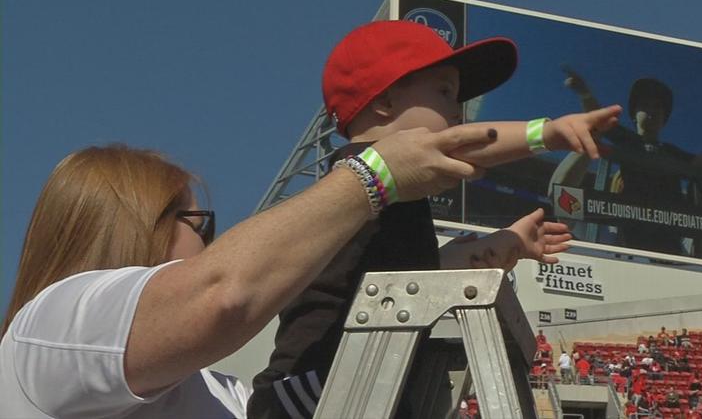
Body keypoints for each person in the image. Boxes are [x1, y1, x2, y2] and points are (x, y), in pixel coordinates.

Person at [248, 21, 622, 417]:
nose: (457, 112)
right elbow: (462, 149)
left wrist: (510, 241)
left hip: (367, 384)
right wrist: (547, 133)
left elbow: (437, 270)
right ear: (385, 103)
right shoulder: (361, 172)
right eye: (444, 91)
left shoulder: (396, 208)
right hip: (312, 389)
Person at [0, 128, 500, 417]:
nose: (209, 241)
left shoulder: (223, 392)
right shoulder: (49, 330)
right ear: (137, 225)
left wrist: (435, 266)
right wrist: (374, 175)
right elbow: (223, 294)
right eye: (198, 222)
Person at [552, 69, 702, 257]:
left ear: (665, 119)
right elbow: (599, 121)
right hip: (628, 228)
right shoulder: (627, 140)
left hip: (669, 235)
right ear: (634, 114)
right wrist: (585, 94)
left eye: (658, 108)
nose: (652, 111)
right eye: (645, 106)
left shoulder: (671, 152)